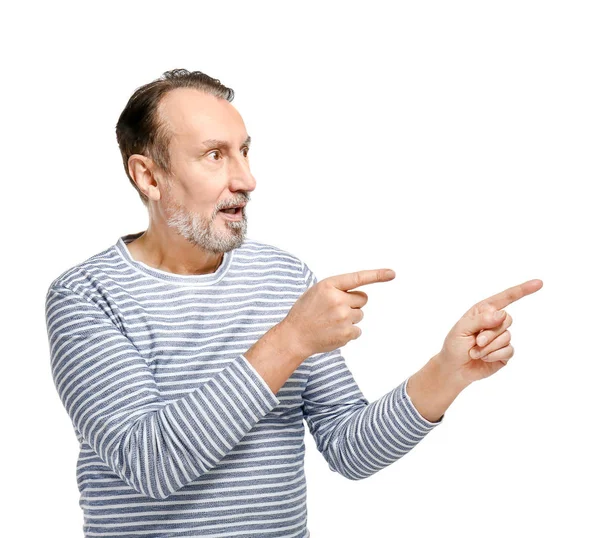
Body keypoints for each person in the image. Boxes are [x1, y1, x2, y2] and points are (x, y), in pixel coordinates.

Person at [45, 69, 543, 538]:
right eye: (215, 155)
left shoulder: (282, 277)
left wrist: (448, 371)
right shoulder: (86, 295)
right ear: (149, 177)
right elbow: (150, 464)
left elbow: (351, 449)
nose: (246, 180)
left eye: (244, 151)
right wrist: (291, 340)